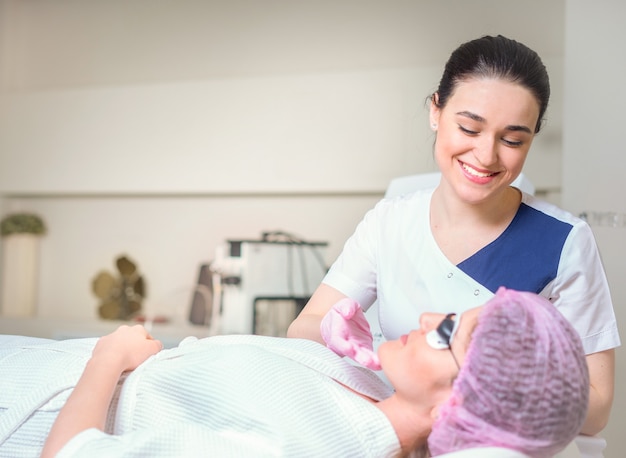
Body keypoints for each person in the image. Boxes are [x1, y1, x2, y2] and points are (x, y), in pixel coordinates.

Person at [286, 34, 620, 436]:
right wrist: (332, 335)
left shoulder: (563, 241)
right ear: (435, 111)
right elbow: (306, 327)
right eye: (469, 128)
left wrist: (487, 390)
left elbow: (597, 405)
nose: (486, 155)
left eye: (513, 140)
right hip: (396, 432)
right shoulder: (389, 223)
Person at [0, 289, 586, 458]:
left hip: (25, 412)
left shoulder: (303, 448)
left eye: (444, 333)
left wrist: (109, 356)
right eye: (452, 312)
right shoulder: (373, 391)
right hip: (33, 363)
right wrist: (349, 353)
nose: (429, 316)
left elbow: (70, 455)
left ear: (454, 409)